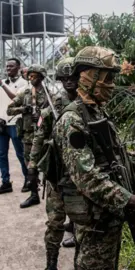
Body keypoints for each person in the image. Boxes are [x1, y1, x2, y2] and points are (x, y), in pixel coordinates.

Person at [52, 46, 135, 269]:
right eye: (107, 77)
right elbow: (85, 176)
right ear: (88, 76)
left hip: (107, 216)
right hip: (95, 219)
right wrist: (127, 199)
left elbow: (105, 154)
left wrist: (130, 158)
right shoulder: (72, 120)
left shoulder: (95, 112)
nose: (112, 84)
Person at [26, 58, 78, 269]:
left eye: (73, 77)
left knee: (83, 223)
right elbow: (39, 136)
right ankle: (51, 263)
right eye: (64, 78)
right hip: (58, 173)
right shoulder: (55, 105)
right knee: (55, 222)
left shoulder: (89, 104)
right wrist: (32, 167)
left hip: (82, 175)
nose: (69, 82)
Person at [7, 64, 49, 208]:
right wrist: (23, 109)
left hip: (45, 136)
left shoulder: (49, 94)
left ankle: (54, 198)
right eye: (29, 76)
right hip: (28, 136)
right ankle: (34, 195)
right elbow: (9, 110)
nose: (31, 79)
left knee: (50, 167)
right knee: (30, 168)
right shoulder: (24, 93)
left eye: (34, 76)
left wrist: (44, 113)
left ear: (41, 77)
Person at [0, 58, 28, 194]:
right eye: (7, 66)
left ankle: (28, 180)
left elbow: (14, 99)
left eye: (11, 66)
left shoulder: (24, 84)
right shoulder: (3, 83)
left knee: (20, 153)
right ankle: (5, 182)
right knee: (1, 155)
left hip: (15, 123)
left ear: (18, 67)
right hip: (2, 124)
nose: (8, 69)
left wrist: (2, 85)